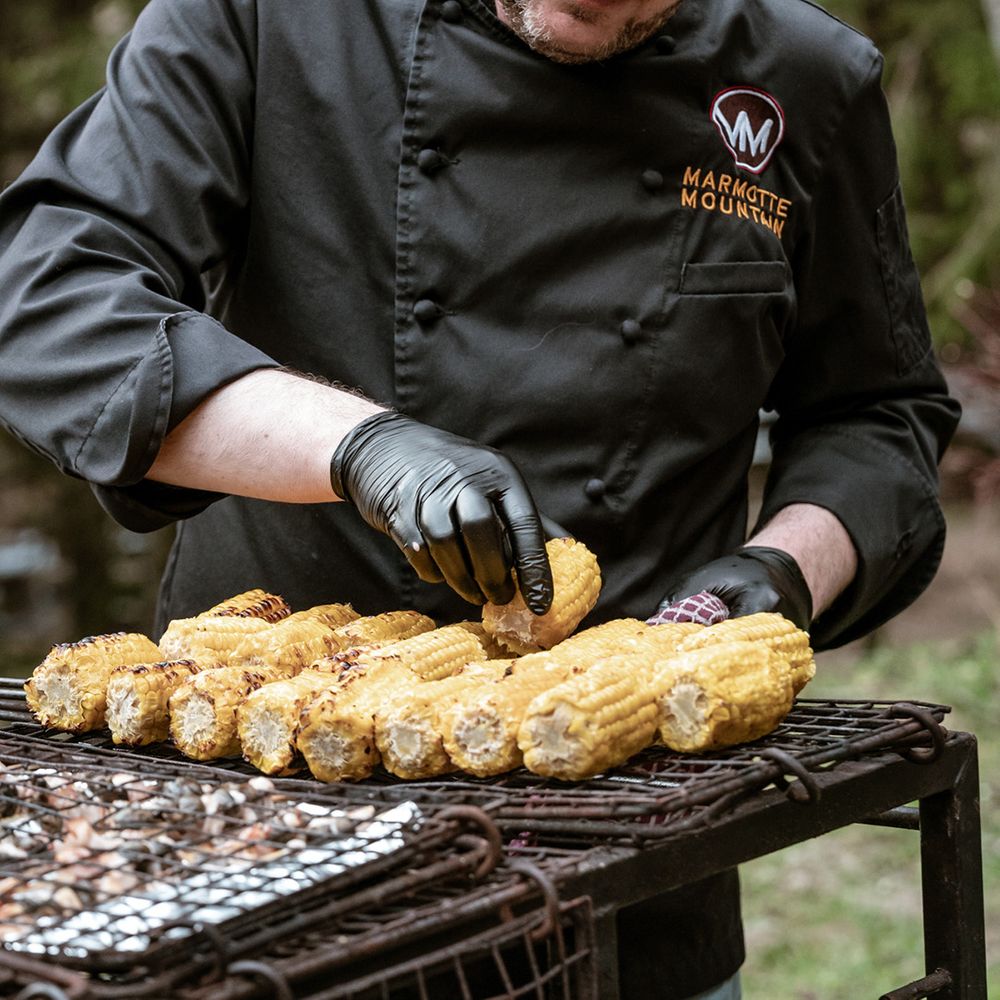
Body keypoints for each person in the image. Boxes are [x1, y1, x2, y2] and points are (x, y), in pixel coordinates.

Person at [0, 0, 960, 996]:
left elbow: (876, 414)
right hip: (263, 829)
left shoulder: (804, 76)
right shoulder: (264, 20)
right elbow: (51, 298)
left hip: (623, 846)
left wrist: (787, 566)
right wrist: (361, 448)